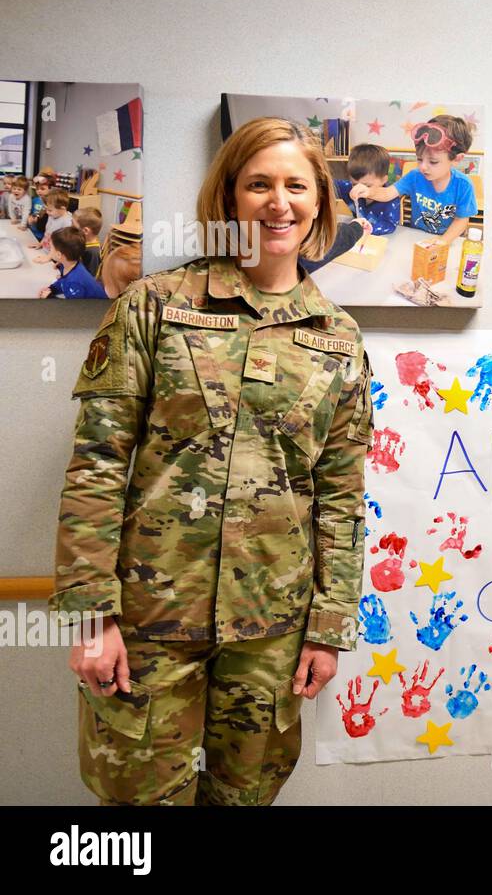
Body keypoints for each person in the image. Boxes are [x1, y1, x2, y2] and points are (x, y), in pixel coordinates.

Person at [52, 116, 374, 805]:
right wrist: (92, 615)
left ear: (319, 201)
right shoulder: (155, 307)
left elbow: (343, 497)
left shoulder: (340, 338)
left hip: (274, 633)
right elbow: (96, 466)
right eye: (259, 184)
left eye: (296, 185)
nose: (278, 202)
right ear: (230, 198)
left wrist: (330, 628)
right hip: (148, 625)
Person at [359, 114, 477, 241]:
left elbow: (461, 220)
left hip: (446, 241)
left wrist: (442, 241)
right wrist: (368, 191)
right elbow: (388, 193)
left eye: (433, 162)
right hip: (416, 238)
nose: (423, 167)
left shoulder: (463, 185)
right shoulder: (415, 176)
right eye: (420, 159)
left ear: (456, 159)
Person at [337, 143, 401, 235]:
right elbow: (330, 184)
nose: (359, 189)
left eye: (367, 186)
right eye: (355, 184)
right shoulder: (349, 188)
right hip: (357, 243)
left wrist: (369, 228)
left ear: (383, 179)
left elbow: (389, 225)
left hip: (381, 242)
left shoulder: (391, 198)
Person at [40, 227, 107, 299]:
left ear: (59, 255)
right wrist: (52, 289)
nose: (50, 250)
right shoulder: (68, 265)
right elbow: (63, 282)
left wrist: (49, 297)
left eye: (51, 248)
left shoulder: (74, 281)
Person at [73, 206, 104, 278]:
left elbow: (90, 278)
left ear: (86, 231)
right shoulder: (82, 240)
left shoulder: (93, 252)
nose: (70, 227)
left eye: (74, 226)